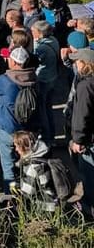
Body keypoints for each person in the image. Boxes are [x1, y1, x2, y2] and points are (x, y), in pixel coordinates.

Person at [0, 47, 37, 193]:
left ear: (13, 62)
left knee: (7, 165)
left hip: (7, 129)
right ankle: (29, 190)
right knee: (26, 162)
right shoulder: (33, 77)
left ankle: (12, 197)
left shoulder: (5, 81)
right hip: (27, 128)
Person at [69, 48, 94, 215]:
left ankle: (89, 208)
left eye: (77, 61)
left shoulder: (85, 86)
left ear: (84, 64)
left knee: (89, 175)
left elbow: (81, 114)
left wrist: (77, 139)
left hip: (88, 139)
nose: (75, 64)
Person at [12, 131, 57, 211]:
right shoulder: (42, 156)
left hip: (44, 205)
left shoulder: (33, 167)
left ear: (23, 147)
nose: (15, 149)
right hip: (51, 198)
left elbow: (28, 192)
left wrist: (16, 187)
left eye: (16, 146)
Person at [31, 21, 60, 142]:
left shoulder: (42, 47)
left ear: (40, 33)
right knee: (48, 107)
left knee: (42, 109)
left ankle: (47, 137)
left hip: (43, 79)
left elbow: (33, 61)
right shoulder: (53, 40)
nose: (32, 33)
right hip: (52, 77)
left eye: (33, 31)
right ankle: (51, 134)